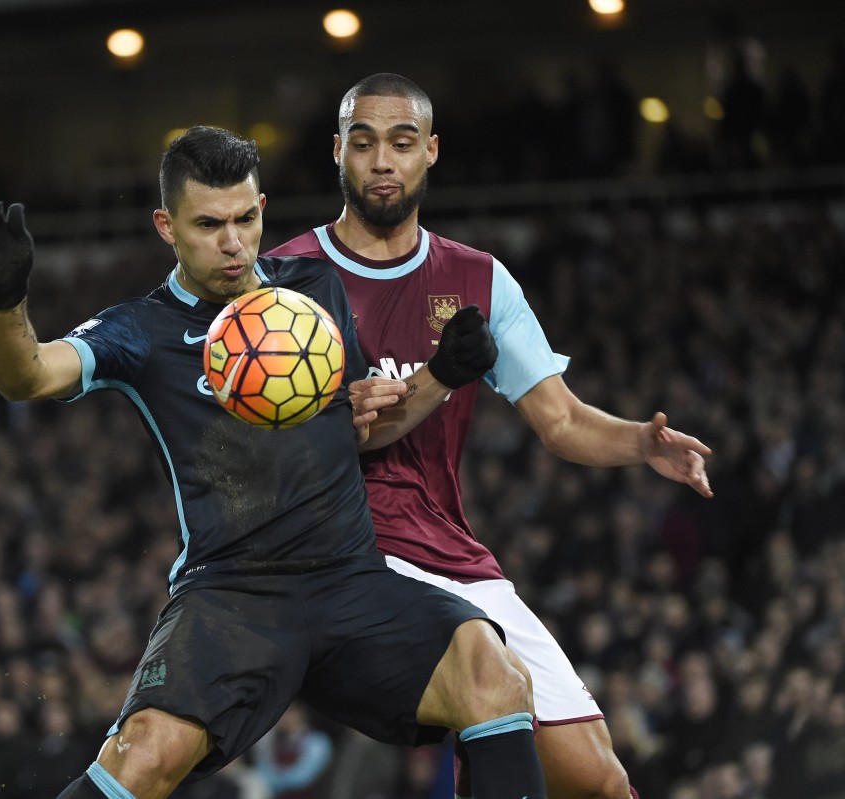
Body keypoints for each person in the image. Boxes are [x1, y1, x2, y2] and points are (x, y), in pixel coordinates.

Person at [0, 125, 549, 799]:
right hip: (231, 597)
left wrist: (441, 371)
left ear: (263, 208)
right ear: (166, 225)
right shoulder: (141, 331)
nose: (233, 242)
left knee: (493, 674)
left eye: (245, 218)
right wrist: (6, 304)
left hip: (350, 580)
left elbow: (357, 426)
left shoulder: (315, 293)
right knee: (143, 760)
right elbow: (29, 375)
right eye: (209, 224)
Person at [267, 73, 714, 799]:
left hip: (448, 545)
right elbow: (284, 442)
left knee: (601, 779)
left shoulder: (480, 279)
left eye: (402, 143)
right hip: (343, 547)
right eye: (365, 142)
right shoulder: (285, 279)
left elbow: (560, 419)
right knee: (487, 686)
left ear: (431, 152)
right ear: (339, 153)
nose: (383, 161)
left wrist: (640, 442)